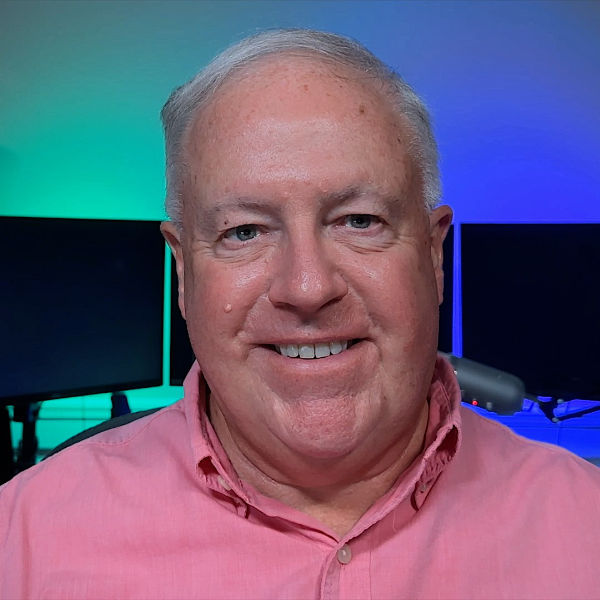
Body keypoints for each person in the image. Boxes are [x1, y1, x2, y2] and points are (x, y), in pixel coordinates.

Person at [1, 29, 599, 600]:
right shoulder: (21, 542)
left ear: (434, 256)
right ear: (183, 274)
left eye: (358, 221)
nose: (307, 288)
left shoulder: (584, 525)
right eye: (244, 231)